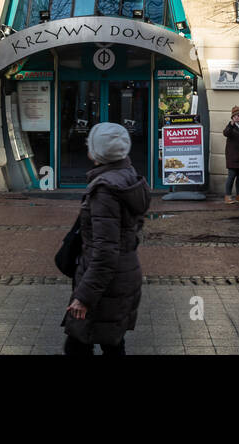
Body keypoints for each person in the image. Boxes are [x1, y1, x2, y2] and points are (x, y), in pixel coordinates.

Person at [63, 122, 151, 356]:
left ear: (99, 152)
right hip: (123, 276)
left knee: (78, 344)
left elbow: (105, 251)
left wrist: (84, 297)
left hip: (105, 285)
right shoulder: (128, 176)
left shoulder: (105, 190)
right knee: (112, 343)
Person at [222, 106, 239, 204]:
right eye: (237, 115)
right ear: (233, 117)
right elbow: (226, 133)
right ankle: (227, 196)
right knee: (231, 176)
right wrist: (231, 125)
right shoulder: (231, 127)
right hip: (232, 156)